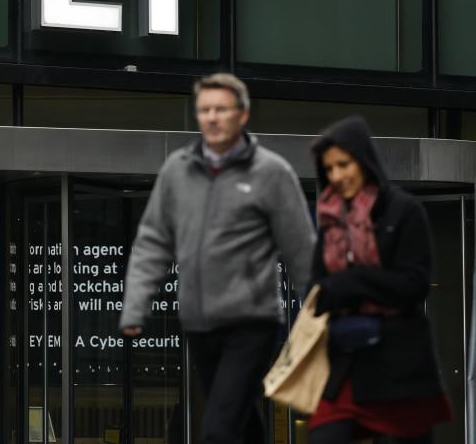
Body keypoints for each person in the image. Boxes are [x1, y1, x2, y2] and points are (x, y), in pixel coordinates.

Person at [120, 73, 315, 444]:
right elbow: (153, 241)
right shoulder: (178, 170)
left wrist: (321, 314)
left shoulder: (271, 172)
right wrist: (135, 306)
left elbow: (300, 247)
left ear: (242, 115)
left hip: (252, 321)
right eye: (204, 110)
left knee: (218, 429)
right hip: (199, 323)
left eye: (221, 109)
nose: (212, 117)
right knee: (241, 422)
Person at [307, 116, 452, 443]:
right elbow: (317, 291)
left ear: (363, 160)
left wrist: (353, 281)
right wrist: (333, 291)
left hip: (398, 365)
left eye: (344, 164)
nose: (337, 176)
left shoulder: (403, 210)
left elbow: (413, 284)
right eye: (329, 169)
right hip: (345, 362)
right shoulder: (330, 219)